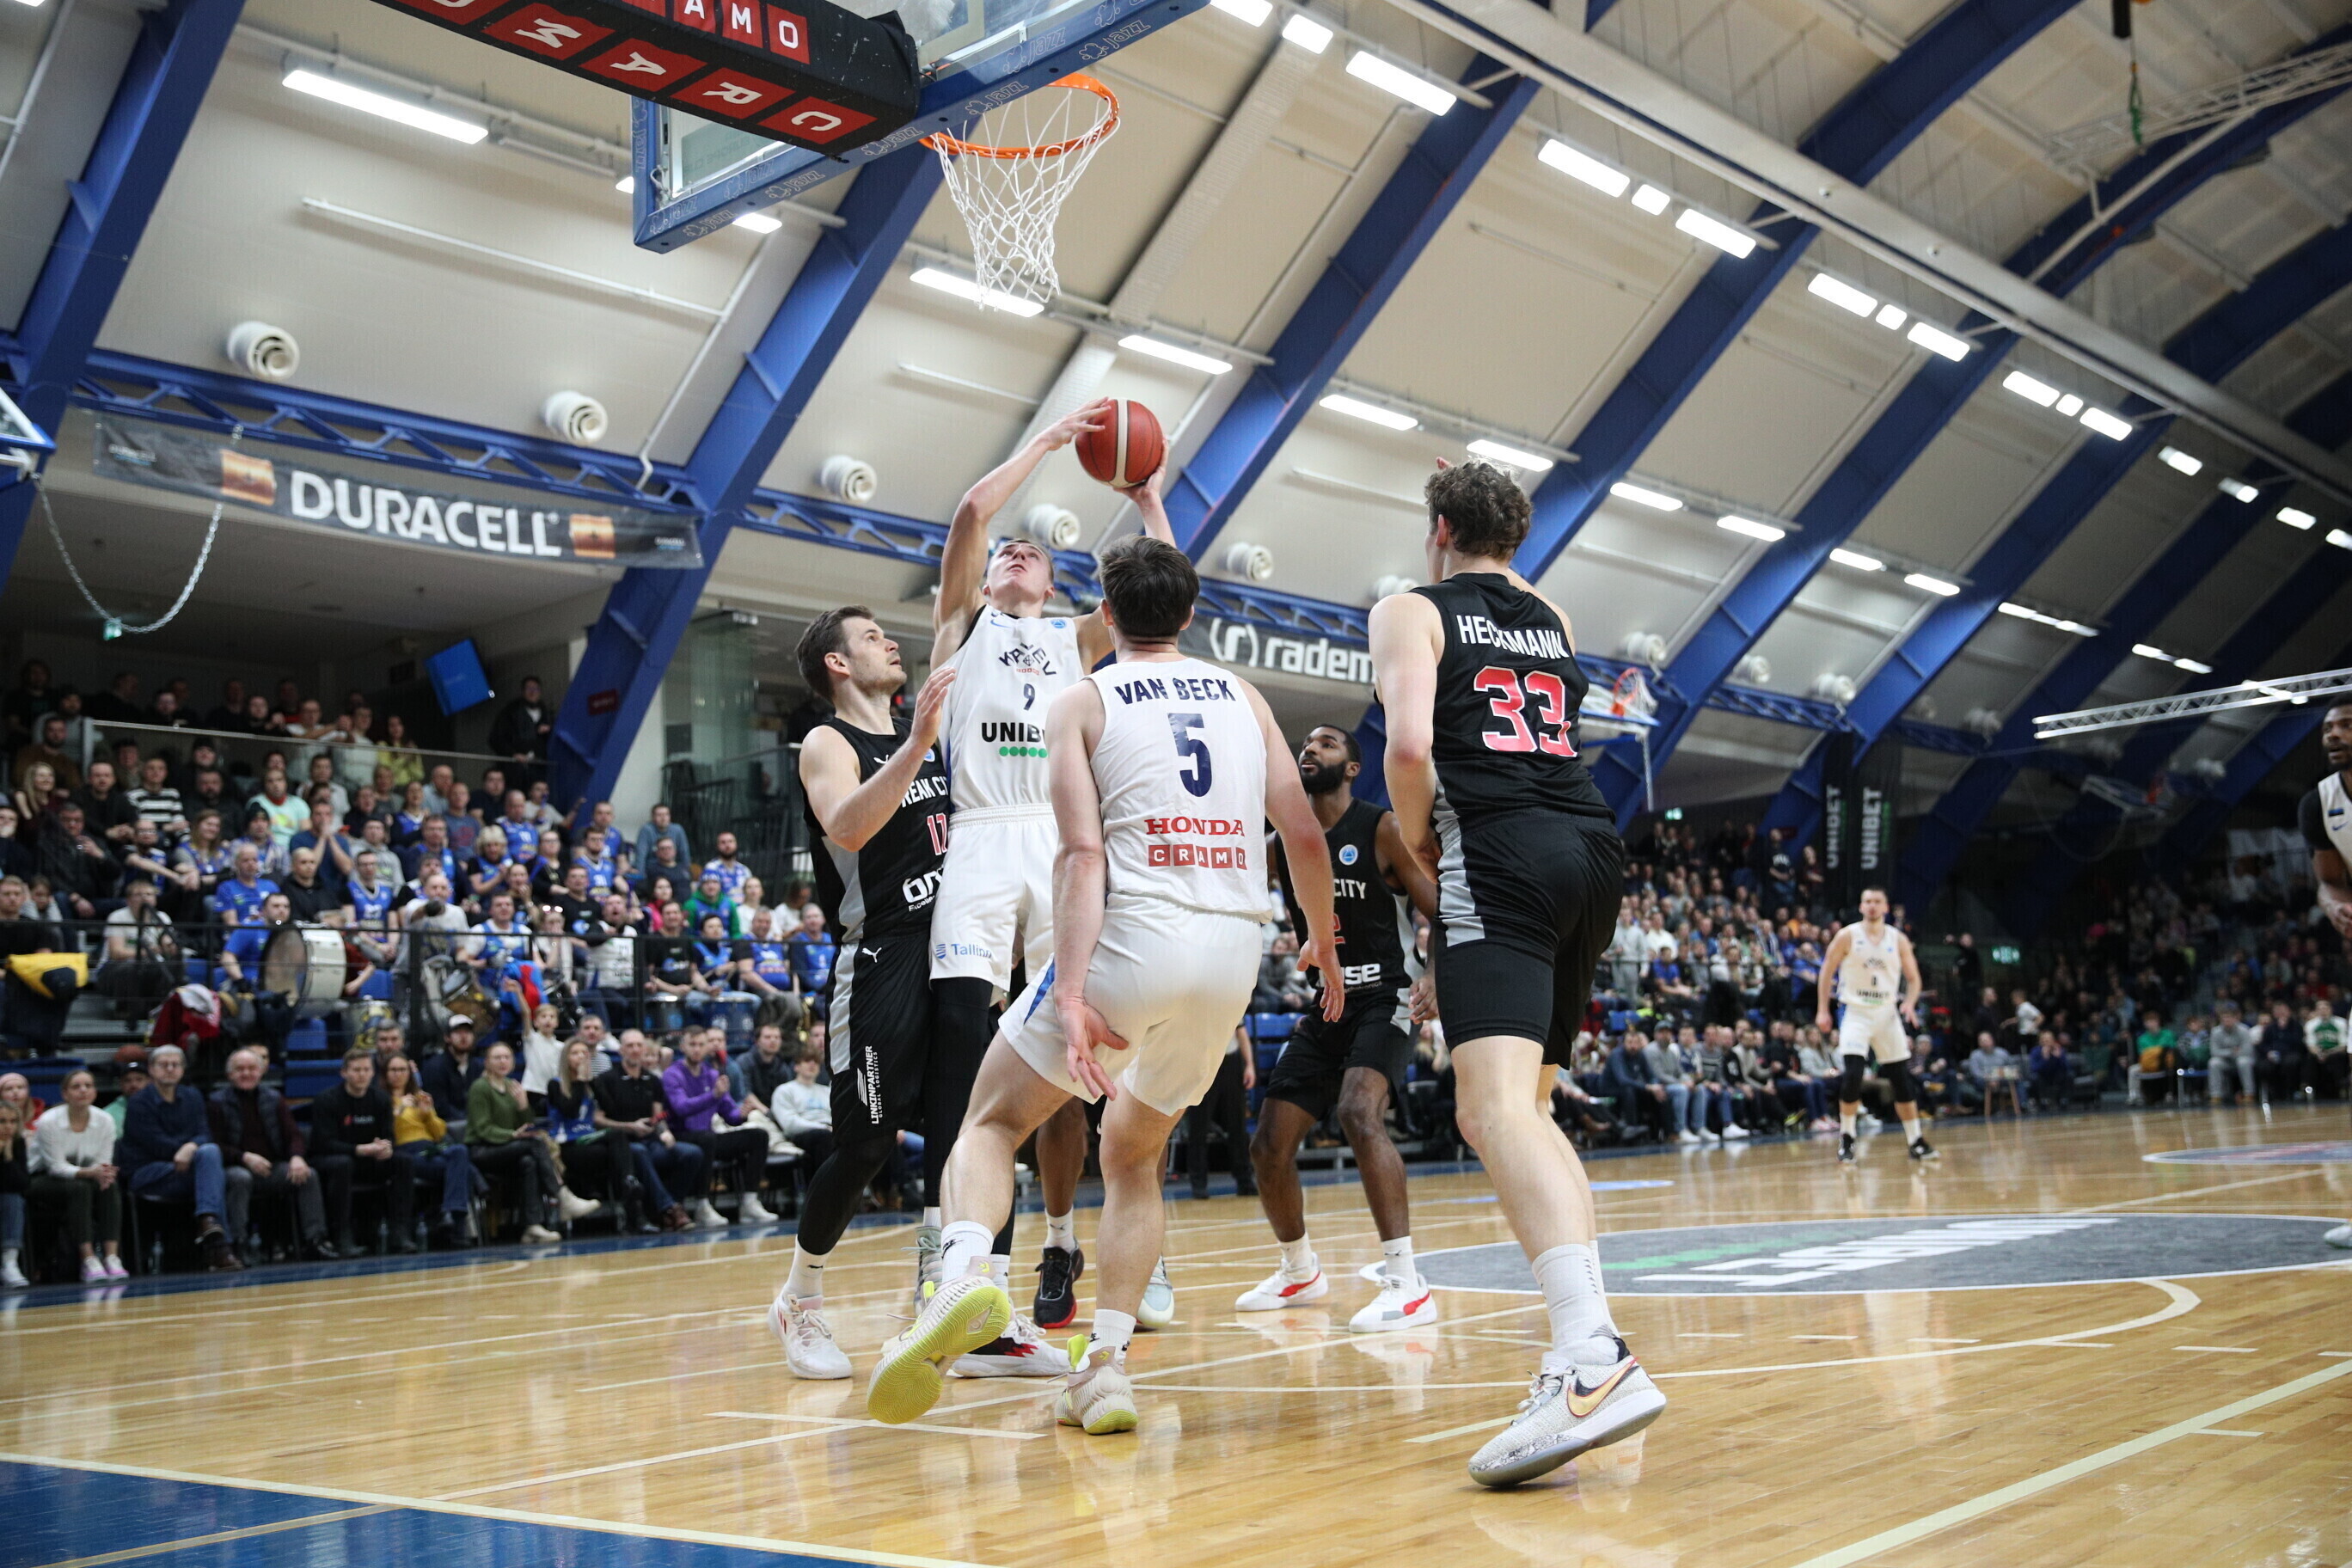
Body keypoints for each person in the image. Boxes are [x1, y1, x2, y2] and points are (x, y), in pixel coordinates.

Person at [863, 533, 1340, 1436]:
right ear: (1191, 614)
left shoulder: (1082, 699)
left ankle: (962, 1280)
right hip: (1231, 954)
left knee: (989, 1121)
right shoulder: (1244, 696)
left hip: (1135, 940)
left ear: (1107, 615)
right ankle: (1106, 1370)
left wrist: (1072, 990)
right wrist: (1321, 939)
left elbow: (1082, 856)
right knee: (1132, 1157)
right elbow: (1303, 835)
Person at [1357, 458, 1664, 1485]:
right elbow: (1499, 601)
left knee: (1488, 1112)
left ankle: (1590, 1356)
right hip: (1590, 848)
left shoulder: (1409, 608)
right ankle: (1590, 1344)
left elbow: (1409, 748)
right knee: (1529, 1108)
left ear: (1438, 529)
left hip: (1498, 850)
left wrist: (1418, 841)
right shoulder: (1553, 615)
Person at [767, 604, 987, 1383]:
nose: (889, 643)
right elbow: (848, 826)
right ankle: (800, 1297)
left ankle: (944, 1283)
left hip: (955, 946)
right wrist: (918, 743)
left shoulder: (928, 730)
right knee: (867, 1143)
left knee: (961, 1134)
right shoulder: (829, 742)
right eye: (869, 637)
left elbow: (957, 611)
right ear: (837, 664)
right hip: (881, 952)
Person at [1241, 723, 1439, 1331]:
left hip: (1389, 995)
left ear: (1352, 768)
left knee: (1358, 1111)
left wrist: (1436, 976)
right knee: (1268, 1145)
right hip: (1327, 1003)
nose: (1310, 749)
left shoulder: (1380, 828)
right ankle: (1300, 1269)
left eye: (1326, 744)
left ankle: (1407, 1282)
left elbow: (1440, 910)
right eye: (1306, 743)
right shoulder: (1281, 844)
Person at [1816, 888, 1934, 1165]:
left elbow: (1914, 978)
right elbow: (1826, 971)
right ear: (1861, 906)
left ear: (1885, 907)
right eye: (1867, 901)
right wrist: (1823, 1009)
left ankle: (1915, 1140)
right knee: (1853, 1074)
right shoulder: (1847, 935)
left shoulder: (1898, 939)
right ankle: (1847, 1137)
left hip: (1886, 1013)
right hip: (1855, 1011)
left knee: (1901, 1080)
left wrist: (1910, 1002)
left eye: (1877, 901)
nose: (1872, 906)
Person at [2293, 699, 2352, 1247]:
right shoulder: (2320, 802)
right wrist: (2333, 903)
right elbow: (2330, 878)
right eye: (2329, 727)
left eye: (2347, 725)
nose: (2334, 735)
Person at [120, 1044, 242, 1271]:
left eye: (175, 1065)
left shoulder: (193, 1096)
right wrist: (188, 1149)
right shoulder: (139, 1102)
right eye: (164, 1065)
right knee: (211, 1168)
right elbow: (155, 1144)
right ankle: (219, 1244)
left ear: (183, 1070)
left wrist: (191, 1147)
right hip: (149, 1173)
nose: (170, 1069)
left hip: (189, 1171)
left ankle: (209, 1223)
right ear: (152, 1070)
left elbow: (205, 1133)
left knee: (211, 1155)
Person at [207, 1047, 332, 1262]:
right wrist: (244, 1157)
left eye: (252, 1068)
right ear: (229, 1074)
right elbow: (214, 1145)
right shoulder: (216, 1102)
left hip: (271, 1168)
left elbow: (293, 1135)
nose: (246, 1073)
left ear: (261, 1071)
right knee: (240, 1178)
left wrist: (296, 1157)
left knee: (308, 1175)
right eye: (240, 1069)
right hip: (234, 1167)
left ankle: (315, 1241)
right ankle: (238, 1245)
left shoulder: (274, 1098)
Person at [467, 1040, 588, 1243]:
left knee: (529, 1162)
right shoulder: (480, 1088)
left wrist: (523, 1106)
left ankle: (532, 1226)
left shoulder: (512, 1086)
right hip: (482, 1150)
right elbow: (482, 1128)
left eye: (507, 1057)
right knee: (535, 1144)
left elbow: (525, 1124)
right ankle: (562, 1196)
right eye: (497, 1058)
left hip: (508, 1149)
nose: (503, 1061)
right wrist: (513, 1135)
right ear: (487, 1062)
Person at [308, 1047, 418, 1255]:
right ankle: (342, 1235)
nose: (362, 1075)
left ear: (372, 1073)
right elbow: (323, 1143)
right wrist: (358, 1149)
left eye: (366, 1070)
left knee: (403, 1161)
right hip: (334, 1160)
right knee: (343, 1164)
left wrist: (386, 1147)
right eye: (356, 1070)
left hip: (370, 1159)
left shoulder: (381, 1099)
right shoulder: (327, 1099)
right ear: (344, 1073)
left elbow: (389, 1135)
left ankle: (400, 1233)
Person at [594, 1028, 704, 1232]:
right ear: (621, 1050)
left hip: (651, 1140)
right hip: (623, 1145)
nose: (635, 1050)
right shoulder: (607, 1079)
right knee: (639, 1152)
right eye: (630, 1046)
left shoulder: (653, 1080)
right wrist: (629, 1126)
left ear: (645, 1049)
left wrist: (664, 1132)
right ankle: (670, 1209)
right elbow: (598, 1120)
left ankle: (667, 1207)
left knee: (692, 1153)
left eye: (639, 1045)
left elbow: (658, 1116)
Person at [663, 1025, 774, 1226]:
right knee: (707, 1138)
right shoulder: (673, 1074)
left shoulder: (712, 1075)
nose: (697, 1049)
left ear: (707, 1048)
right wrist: (713, 1095)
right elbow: (681, 1108)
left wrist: (742, 1114)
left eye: (701, 1045)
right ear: (683, 1047)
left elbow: (729, 1115)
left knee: (758, 1135)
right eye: (692, 1044)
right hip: (681, 1134)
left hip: (708, 1136)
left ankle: (750, 1202)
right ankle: (702, 1204)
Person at [30, 1069, 126, 1280]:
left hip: (85, 1175)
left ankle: (112, 1257)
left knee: (109, 1185)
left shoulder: (105, 1120)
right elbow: (55, 1166)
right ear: (65, 1094)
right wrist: (90, 1172)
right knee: (79, 1188)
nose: (83, 1090)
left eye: (88, 1086)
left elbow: (103, 1161)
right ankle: (88, 1259)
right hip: (41, 1178)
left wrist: (103, 1173)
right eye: (76, 1087)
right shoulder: (48, 1121)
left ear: (95, 1091)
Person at [380, 1053, 475, 1247]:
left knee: (460, 1151)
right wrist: (399, 1110)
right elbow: (385, 1131)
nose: (398, 1074)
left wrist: (428, 1114)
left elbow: (440, 1133)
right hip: (406, 1153)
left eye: (403, 1070)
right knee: (465, 1170)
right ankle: (457, 1227)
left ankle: (449, 1214)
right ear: (385, 1073)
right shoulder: (382, 1100)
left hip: (431, 1149)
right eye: (393, 1070)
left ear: (410, 1073)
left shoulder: (419, 1097)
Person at [546, 1038, 630, 1222]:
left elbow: (613, 1111)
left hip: (589, 1139)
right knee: (616, 1142)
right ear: (566, 1058)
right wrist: (579, 1082)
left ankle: (629, 1186)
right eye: (575, 1053)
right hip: (567, 1144)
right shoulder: (555, 1084)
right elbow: (570, 1111)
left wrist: (593, 1082)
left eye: (584, 1053)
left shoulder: (592, 1084)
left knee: (619, 1143)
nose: (580, 1057)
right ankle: (627, 1186)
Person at [0, 1102, 26, 1287]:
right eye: (2, 1121)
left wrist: (8, 1159)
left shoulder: (17, 1143)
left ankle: (9, 1262)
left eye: (13, 1121)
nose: (8, 1126)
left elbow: (23, 1184)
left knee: (14, 1200)